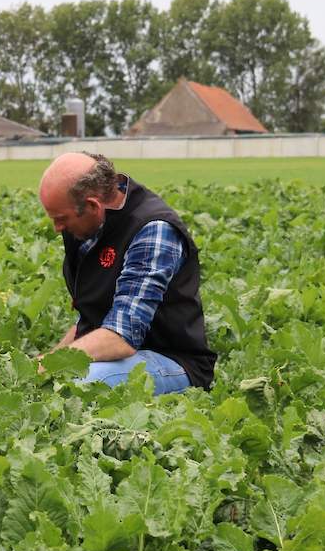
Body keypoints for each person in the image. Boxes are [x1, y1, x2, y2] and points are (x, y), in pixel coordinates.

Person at [37, 152, 216, 393]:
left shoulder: (152, 230)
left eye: (60, 219)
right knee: (45, 380)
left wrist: (51, 364)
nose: (57, 228)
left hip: (172, 359)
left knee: (74, 387)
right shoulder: (91, 227)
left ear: (92, 205)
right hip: (116, 353)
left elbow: (121, 336)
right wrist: (46, 361)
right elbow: (91, 319)